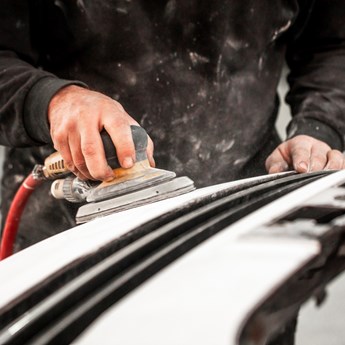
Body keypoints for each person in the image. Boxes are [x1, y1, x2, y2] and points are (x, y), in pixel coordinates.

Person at [1, 0, 345, 250]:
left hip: (243, 221)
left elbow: (332, 44)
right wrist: (53, 101)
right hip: (65, 233)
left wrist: (318, 128)